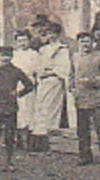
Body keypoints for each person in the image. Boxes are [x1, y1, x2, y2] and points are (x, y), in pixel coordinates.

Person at [0, 44, 35, 171]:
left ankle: (9, 162)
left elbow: (29, 85)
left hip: (10, 106)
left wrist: (18, 93)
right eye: (3, 55)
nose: (5, 58)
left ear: (12, 56)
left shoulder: (16, 71)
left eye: (8, 56)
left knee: (10, 135)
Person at [70, 31, 100, 166]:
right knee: (82, 131)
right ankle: (84, 156)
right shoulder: (75, 57)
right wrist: (72, 89)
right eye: (82, 41)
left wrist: (92, 81)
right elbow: (71, 75)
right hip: (81, 99)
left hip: (98, 99)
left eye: (87, 41)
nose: (85, 44)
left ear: (93, 43)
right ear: (78, 43)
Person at [29, 21, 71, 152]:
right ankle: (38, 140)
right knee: (40, 108)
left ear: (58, 34)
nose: (51, 36)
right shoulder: (43, 49)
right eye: (48, 33)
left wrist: (50, 71)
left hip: (54, 81)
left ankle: (49, 140)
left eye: (53, 33)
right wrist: (40, 71)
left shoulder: (62, 49)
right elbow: (38, 65)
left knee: (51, 107)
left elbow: (64, 67)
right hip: (43, 81)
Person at [10, 29, 39, 151]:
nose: (22, 43)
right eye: (19, 41)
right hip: (16, 85)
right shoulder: (14, 55)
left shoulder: (34, 54)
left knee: (30, 110)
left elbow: (37, 71)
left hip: (29, 85)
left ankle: (29, 140)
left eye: (25, 40)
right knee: (17, 110)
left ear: (29, 41)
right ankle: (17, 139)